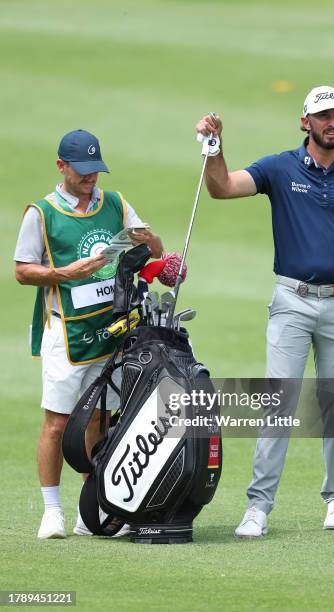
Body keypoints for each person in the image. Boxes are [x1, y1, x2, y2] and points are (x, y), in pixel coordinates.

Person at [196, 86, 334, 537]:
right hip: (292, 300)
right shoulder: (278, 168)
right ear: (305, 121)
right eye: (324, 115)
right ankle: (258, 507)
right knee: (279, 403)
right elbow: (222, 188)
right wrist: (214, 147)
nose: (333, 122)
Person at [14, 129, 163, 539]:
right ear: (61, 167)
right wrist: (64, 273)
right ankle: (51, 511)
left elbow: (153, 249)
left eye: (95, 171)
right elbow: (23, 270)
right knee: (58, 424)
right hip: (67, 332)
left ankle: (90, 512)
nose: (90, 179)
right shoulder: (41, 213)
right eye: (82, 172)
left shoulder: (114, 203)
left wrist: (149, 239)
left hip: (110, 328)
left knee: (100, 420)